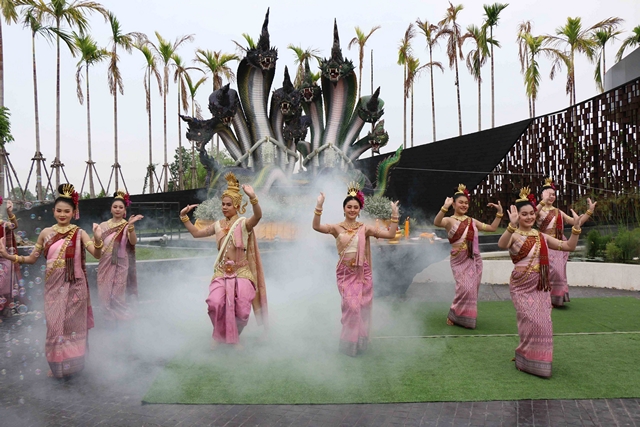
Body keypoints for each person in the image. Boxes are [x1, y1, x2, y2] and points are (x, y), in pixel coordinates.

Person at [0, 184, 103, 378]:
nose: (62, 214)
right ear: (53, 211)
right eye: (59, 211)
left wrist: (98, 239)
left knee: (73, 327)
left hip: (75, 287)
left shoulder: (79, 233)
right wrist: (8, 255)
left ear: (73, 212)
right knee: (55, 327)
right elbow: (31, 259)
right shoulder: (45, 233)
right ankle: (57, 365)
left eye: (67, 211)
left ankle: (73, 365)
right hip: (53, 287)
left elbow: (97, 255)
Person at [497, 187, 593, 378]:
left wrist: (575, 228)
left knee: (544, 324)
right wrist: (511, 226)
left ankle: (536, 361)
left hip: (540, 287)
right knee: (529, 321)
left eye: (532, 213)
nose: (529, 217)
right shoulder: (514, 235)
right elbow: (501, 244)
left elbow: (568, 246)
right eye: (524, 214)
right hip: (521, 286)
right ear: (518, 216)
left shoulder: (541, 236)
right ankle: (525, 355)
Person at [180, 173, 267, 349]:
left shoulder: (244, 224)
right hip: (221, 272)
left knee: (242, 310)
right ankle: (219, 335)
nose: (224, 207)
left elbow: (257, 216)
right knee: (214, 303)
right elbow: (196, 233)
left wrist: (253, 198)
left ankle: (235, 336)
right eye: (223, 204)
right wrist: (184, 217)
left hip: (242, 272)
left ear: (237, 206)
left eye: (228, 204)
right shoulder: (218, 225)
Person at [312, 182, 399, 357]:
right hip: (345, 273)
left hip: (362, 273)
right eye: (349, 207)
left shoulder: (364, 228)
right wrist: (319, 206)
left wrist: (395, 214)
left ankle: (359, 342)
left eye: (355, 207)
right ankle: (348, 343)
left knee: (362, 308)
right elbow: (316, 227)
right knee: (351, 307)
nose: (352, 210)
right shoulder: (336, 228)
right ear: (344, 209)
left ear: (359, 210)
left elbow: (390, 234)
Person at [434, 184, 503, 329]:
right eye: (461, 202)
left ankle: (466, 318)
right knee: (464, 288)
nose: (464, 205)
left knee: (471, 290)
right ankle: (454, 314)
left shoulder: (472, 221)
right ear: (454, 204)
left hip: (474, 259)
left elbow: (492, 228)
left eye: (466, 203)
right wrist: (444, 207)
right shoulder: (449, 220)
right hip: (459, 260)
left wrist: (499, 213)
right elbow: (437, 222)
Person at [536, 178, 596, 307]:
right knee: (548, 271)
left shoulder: (558, 212)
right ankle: (544, 297)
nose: (552, 196)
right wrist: (542, 202)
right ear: (542, 195)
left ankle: (556, 299)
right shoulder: (538, 210)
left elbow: (576, 222)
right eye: (548, 194)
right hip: (545, 244)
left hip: (559, 245)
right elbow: (532, 214)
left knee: (558, 272)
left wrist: (589, 211)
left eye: (553, 194)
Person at [96, 190, 143, 324]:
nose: (117, 209)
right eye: (115, 207)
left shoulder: (127, 225)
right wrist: (97, 239)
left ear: (124, 210)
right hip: (105, 262)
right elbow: (97, 244)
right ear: (111, 209)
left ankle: (122, 321)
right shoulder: (103, 225)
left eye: (121, 207)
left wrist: (131, 227)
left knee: (117, 294)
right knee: (104, 294)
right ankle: (108, 320)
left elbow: (133, 241)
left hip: (121, 263)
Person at [0, 198, 19, 321]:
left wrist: (9, 212)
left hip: (2, 259)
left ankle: (4, 307)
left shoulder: (2, 225)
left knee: (5, 270)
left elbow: (15, 225)